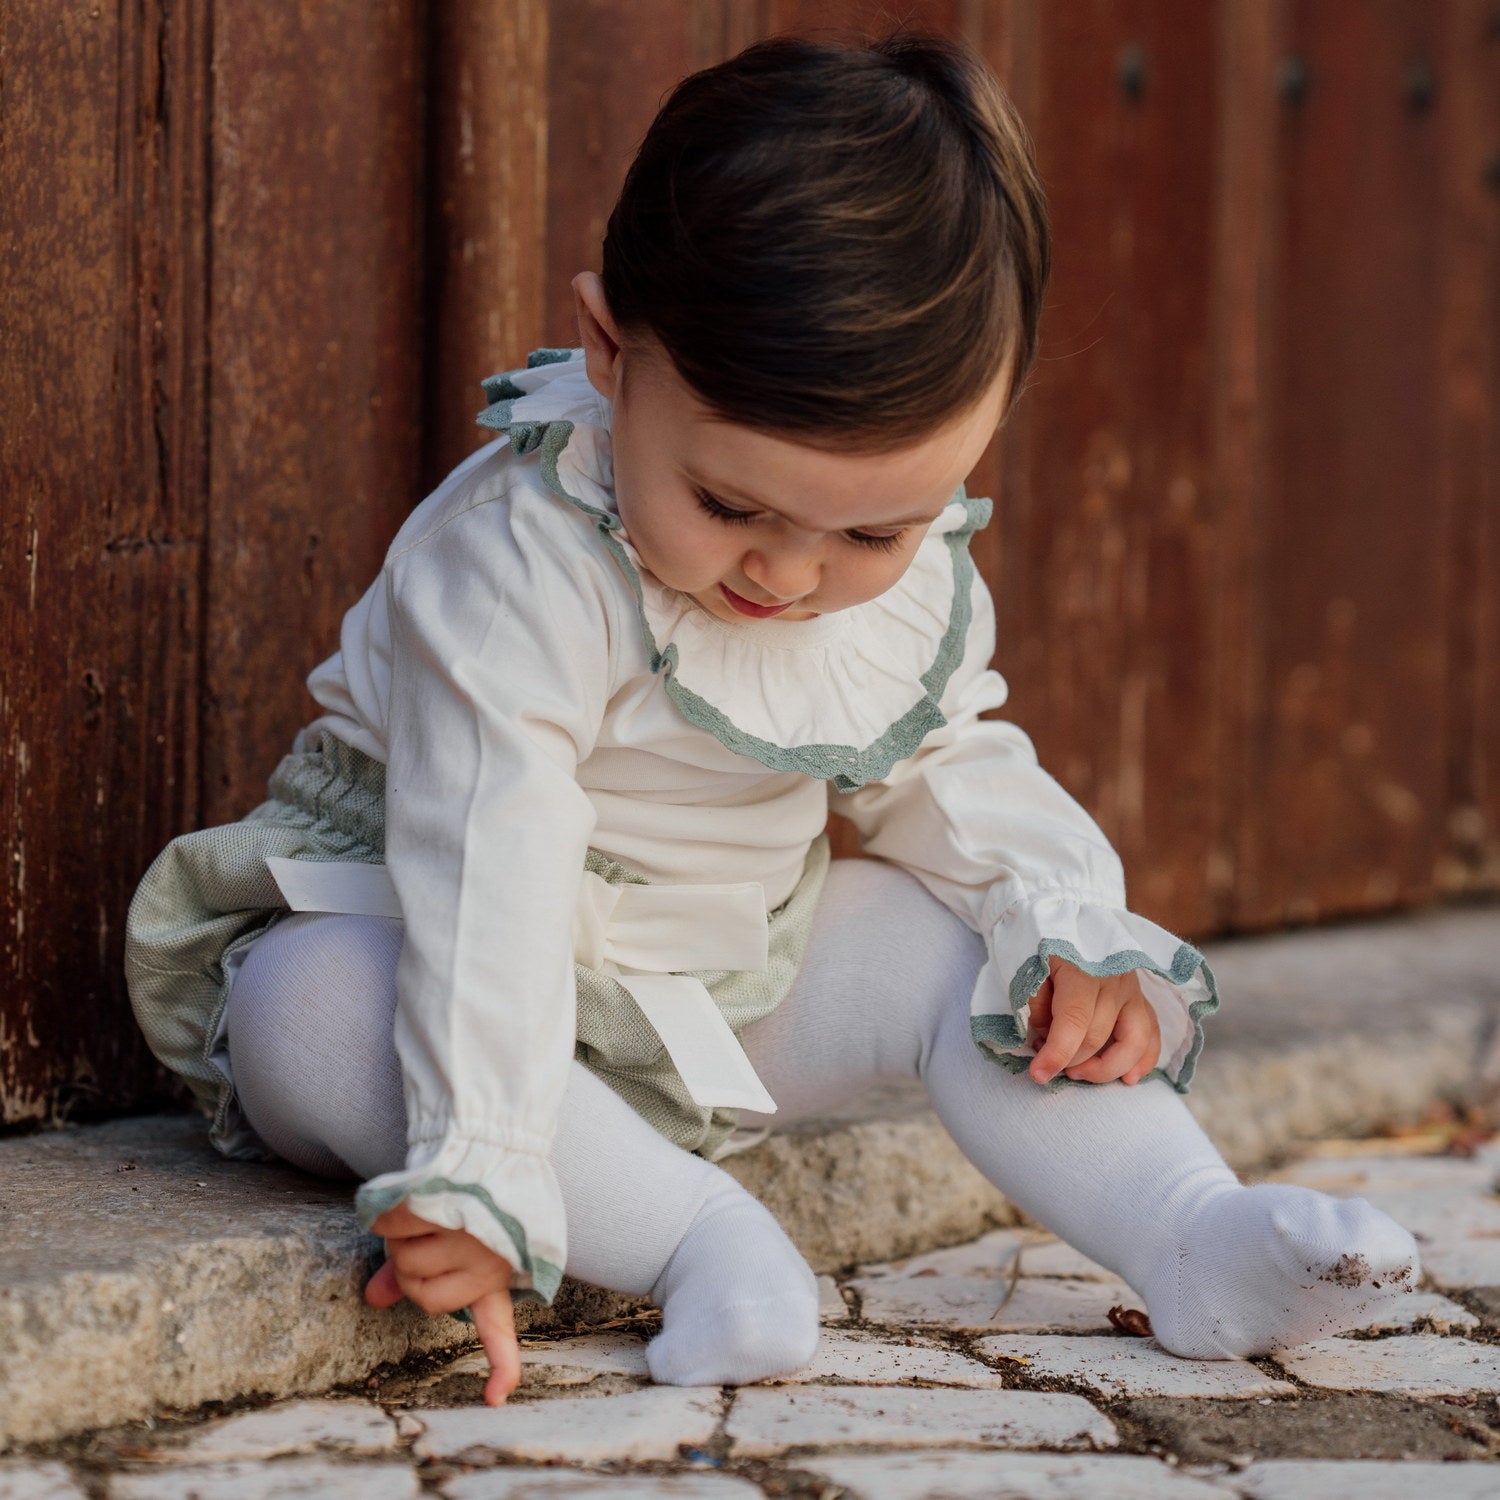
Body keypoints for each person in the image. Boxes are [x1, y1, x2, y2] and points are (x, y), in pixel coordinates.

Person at [124, 31, 1418, 1408]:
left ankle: (1188, 1229)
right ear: (613, 354)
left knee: (951, 944)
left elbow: (948, 764)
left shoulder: (896, 579)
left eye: (873, 530)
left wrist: (1059, 924)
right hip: (435, 948)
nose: (791, 576)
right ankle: (701, 1242)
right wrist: (483, 1160)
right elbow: (484, 858)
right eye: (730, 504)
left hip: (709, 998)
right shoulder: (518, 563)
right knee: (308, 1009)